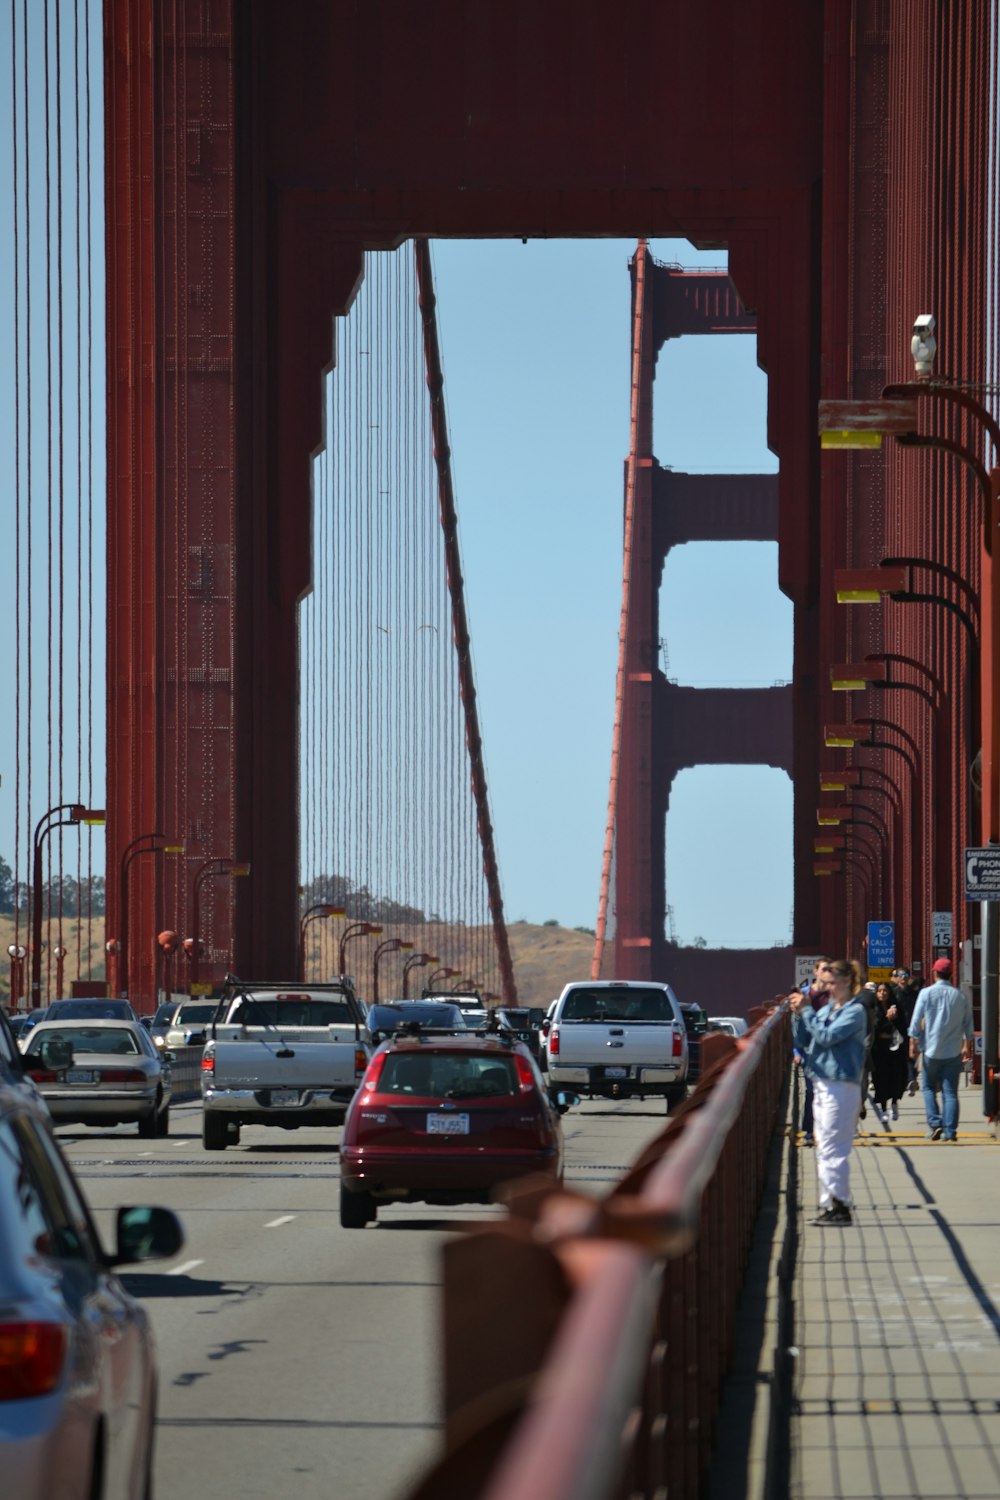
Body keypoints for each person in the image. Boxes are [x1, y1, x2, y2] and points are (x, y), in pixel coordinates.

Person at [789, 958, 868, 1226]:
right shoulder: (830, 1009)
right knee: (824, 1147)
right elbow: (807, 1037)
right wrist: (800, 1012)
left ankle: (841, 1205)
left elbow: (825, 1037)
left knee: (835, 1147)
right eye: (827, 983)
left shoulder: (854, 1012)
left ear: (847, 981)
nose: (829, 988)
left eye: (833, 983)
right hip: (823, 1082)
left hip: (841, 1085)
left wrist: (808, 1011)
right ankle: (829, 1203)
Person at [908, 957, 974, 1142]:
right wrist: (966, 1045)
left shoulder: (926, 993)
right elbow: (968, 1024)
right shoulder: (960, 996)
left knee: (928, 1088)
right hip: (953, 1051)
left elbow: (915, 1020)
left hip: (931, 1049)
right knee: (950, 1092)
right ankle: (950, 1131)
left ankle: (935, 1124)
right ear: (951, 974)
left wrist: (913, 1042)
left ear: (934, 973)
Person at [795, 958, 833, 1145]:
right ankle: (809, 1132)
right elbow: (796, 1026)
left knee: (826, 1093)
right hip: (809, 1051)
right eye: (824, 969)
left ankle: (824, 1130)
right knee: (811, 1092)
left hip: (830, 1051)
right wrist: (796, 1050)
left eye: (830, 969)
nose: (827, 972)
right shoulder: (804, 994)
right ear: (815, 971)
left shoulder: (834, 996)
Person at [868, 981, 908, 1122]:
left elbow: (903, 1027)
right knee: (881, 1079)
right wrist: (887, 1019)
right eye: (879, 991)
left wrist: (895, 1019)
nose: (882, 993)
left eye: (885, 991)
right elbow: (874, 1028)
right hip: (879, 1050)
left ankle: (894, 1103)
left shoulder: (896, 1008)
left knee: (896, 1077)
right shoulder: (873, 1009)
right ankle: (884, 1109)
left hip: (895, 1049)